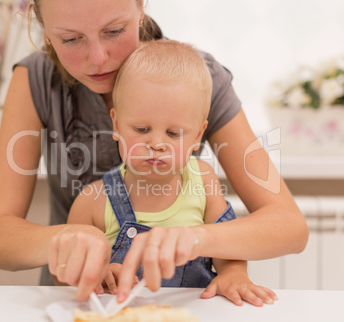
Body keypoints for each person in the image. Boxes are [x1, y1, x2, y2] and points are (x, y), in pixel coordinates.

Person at [0, 0, 308, 302]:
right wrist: (69, 237)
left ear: (141, 9)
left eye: (114, 31)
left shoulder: (196, 79)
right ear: (45, 31)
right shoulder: (35, 77)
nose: (98, 57)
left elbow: (289, 227)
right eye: (70, 39)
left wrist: (196, 239)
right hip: (79, 301)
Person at [64, 39, 278, 306]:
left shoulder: (203, 181)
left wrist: (233, 273)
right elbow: (66, 276)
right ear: (116, 123)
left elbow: (227, 244)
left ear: (198, 135)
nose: (156, 144)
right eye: (141, 130)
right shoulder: (92, 201)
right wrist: (96, 274)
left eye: (173, 133)